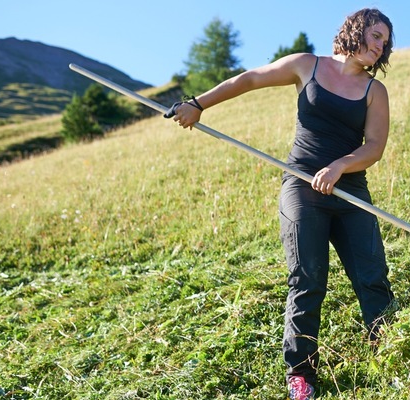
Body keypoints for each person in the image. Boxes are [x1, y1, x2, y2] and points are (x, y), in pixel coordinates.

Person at [168, 8, 396, 400]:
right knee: (307, 278)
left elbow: (374, 147)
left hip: (349, 190)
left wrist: (340, 166)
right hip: (302, 185)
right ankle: (301, 375)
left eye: (385, 42)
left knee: (372, 277)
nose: (380, 46)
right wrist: (198, 103)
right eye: (376, 35)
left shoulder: (375, 92)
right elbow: (250, 78)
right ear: (356, 30)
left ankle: (392, 353)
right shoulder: (306, 66)